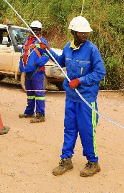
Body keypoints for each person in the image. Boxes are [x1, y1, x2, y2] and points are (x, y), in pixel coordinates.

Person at [52, 16, 106, 178]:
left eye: (86, 32)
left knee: (87, 130)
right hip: (71, 98)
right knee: (69, 129)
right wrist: (46, 49)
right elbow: (59, 61)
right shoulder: (68, 47)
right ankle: (66, 159)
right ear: (73, 32)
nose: (85, 35)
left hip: (86, 99)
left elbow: (100, 72)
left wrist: (80, 80)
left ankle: (93, 162)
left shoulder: (92, 50)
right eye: (81, 33)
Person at [18, 27, 51, 123]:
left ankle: (40, 114)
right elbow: (22, 54)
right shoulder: (26, 41)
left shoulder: (42, 42)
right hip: (28, 71)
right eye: (33, 29)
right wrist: (22, 66)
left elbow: (47, 55)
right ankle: (29, 111)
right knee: (30, 93)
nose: (35, 31)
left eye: (37, 29)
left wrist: (37, 63)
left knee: (39, 93)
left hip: (37, 72)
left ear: (40, 30)